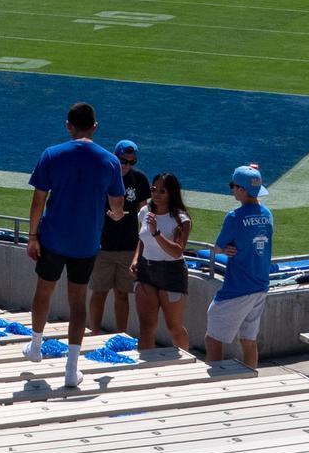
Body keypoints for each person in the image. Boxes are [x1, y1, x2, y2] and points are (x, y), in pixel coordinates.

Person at [23, 102, 128, 389]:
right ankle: (71, 368)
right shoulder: (110, 162)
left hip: (54, 237)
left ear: (69, 125)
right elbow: (117, 205)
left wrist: (33, 236)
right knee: (78, 300)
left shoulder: (52, 155)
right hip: (86, 241)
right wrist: (117, 214)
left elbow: (38, 201)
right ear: (95, 126)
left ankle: (35, 346)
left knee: (43, 290)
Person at [205, 165, 275, 371]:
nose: (232, 190)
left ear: (242, 190)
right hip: (260, 286)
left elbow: (217, 248)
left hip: (237, 287)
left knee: (213, 339)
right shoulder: (268, 214)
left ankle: (216, 384)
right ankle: (250, 379)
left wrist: (224, 248)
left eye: (233, 186)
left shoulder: (234, 217)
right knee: (248, 340)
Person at [87, 139, 151, 338]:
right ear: (114, 157)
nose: (127, 165)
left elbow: (143, 211)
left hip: (128, 247)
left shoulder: (139, 179)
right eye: (123, 161)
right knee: (99, 292)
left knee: (122, 294)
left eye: (132, 162)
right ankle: (95, 331)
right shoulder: (100, 176)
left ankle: (120, 335)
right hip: (102, 246)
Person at [130, 172, 191, 352]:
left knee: (174, 327)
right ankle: (146, 368)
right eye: (154, 189)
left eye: (162, 191)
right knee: (146, 328)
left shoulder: (181, 219)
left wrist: (157, 232)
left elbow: (177, 251)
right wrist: (135, 259)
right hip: (146, 270)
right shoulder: (144, 211)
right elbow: (142, 239)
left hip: (171, 272)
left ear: (172, 193)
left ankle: (186, 366)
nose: (156, 194)